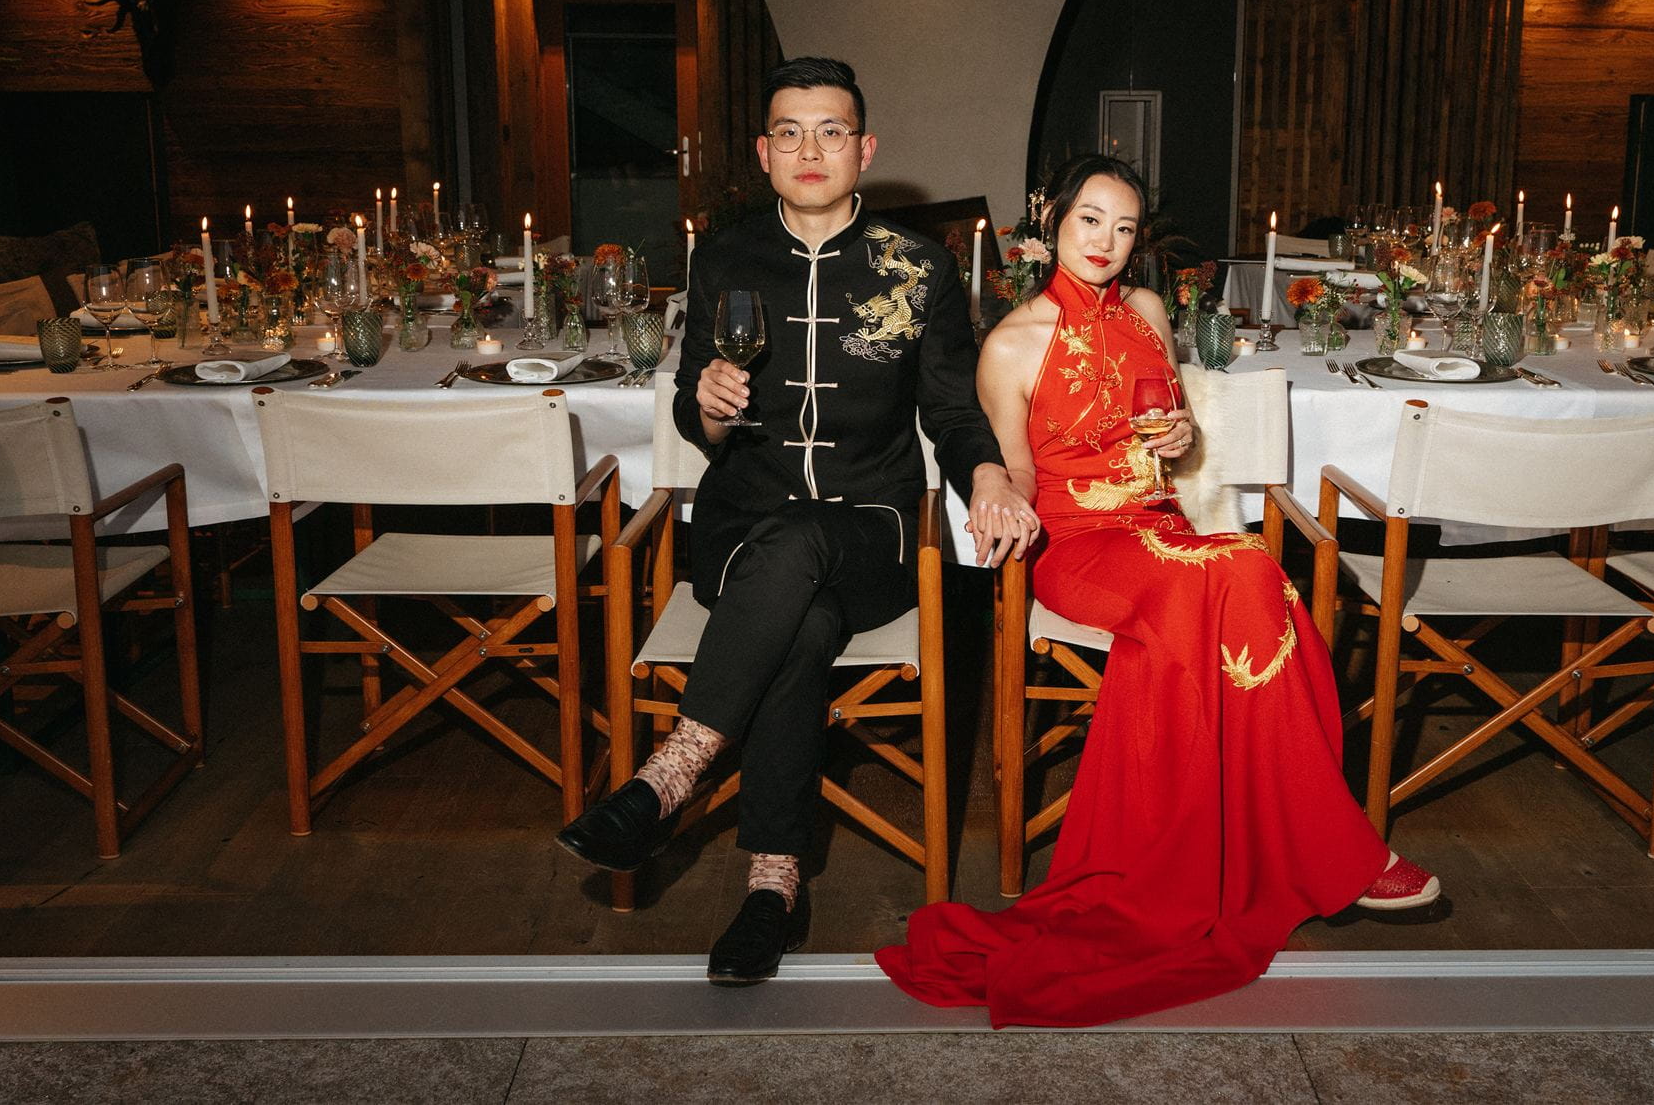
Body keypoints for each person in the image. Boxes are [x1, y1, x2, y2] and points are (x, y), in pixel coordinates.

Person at [876, 154, 1439, 1028]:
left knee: (1253, 575)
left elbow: (1170, 436)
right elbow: (1017, 470)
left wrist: (1179, 434)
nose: (1106, 240)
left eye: (1125, 226)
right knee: (1246, 568)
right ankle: (1336, 853)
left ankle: (1288, 844)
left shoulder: (1145, 310)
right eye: (1089, 219)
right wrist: (1000, 500)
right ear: (1053, 221)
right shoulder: (1012, 342)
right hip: (1077, 544)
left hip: (1161, 526)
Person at [556, 57, 1037, 987]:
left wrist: (985, 472)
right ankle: (771, 886)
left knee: (808, 539)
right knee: (800, 618)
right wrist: (708, 405)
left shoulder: (919, 267)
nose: (809, 148)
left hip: (872, 534)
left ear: (865, 149)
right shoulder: (723, 258)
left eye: (830, 131)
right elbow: (695, 416)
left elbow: (951, 408)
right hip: (743, 531)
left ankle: (672, 771)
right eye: (789, 131)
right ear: (763, 151)